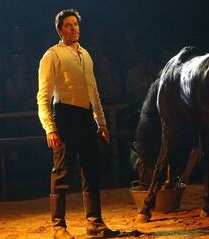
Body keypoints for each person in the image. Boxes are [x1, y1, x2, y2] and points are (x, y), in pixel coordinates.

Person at [36, 9, 117, 239]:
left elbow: (94, 92)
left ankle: (94, 223)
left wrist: (101, 122)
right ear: (59, 30)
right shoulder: (52, 55)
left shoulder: (86, 55)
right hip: (65, 116)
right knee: (62, 173)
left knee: (91, 170)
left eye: (76, 25)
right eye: (68, 26)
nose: (74, 29)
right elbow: (43, 96)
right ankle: (58, 227)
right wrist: (50, 128)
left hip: (85, 116)